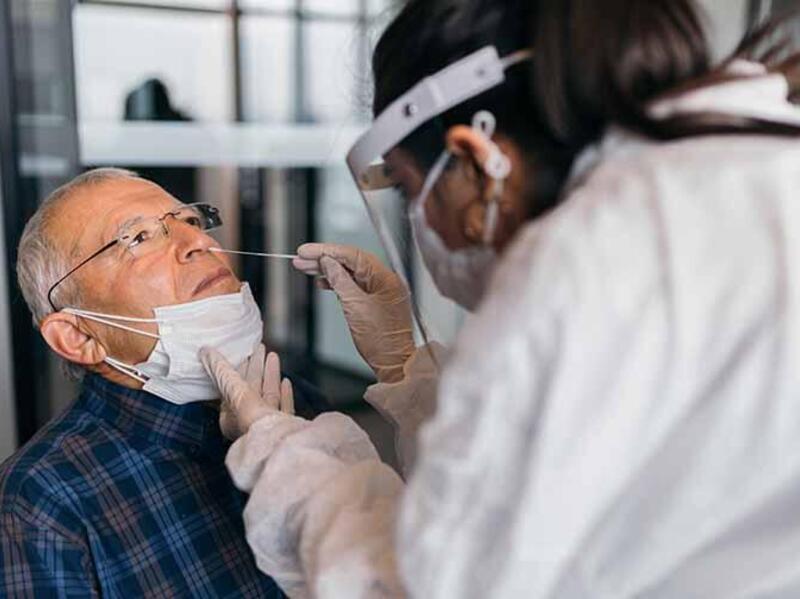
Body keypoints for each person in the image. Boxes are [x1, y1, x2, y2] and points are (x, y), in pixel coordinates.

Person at [203, 0, 800, 596]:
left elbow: (419, 584)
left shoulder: (580, 264)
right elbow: (554, 454)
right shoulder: (742, 174)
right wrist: (405, 367)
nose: (419, 219)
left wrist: (283, 454)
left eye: (410, 190)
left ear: (475, 158)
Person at [0, 168, 327, 597]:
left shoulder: (293, 402)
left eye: (189, 221)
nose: (201, 243)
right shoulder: (43, 503)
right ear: (78, 337)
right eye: (137, 238)